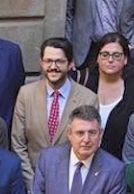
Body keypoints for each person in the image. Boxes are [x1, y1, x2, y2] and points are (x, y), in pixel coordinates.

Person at [11, 38, 98, 186]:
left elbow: (88, 145)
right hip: (32, 181)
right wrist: (33, 184)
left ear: (70, 64)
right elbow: (18, 143)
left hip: (70, 184)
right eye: (48, 61)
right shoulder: (26, 94)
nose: (53, 66)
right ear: (41, 63)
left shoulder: (88, 98)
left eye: (59, 61)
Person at [71, 33, 134, 163]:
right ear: (97, 58)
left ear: (125, 59)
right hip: (79, 161)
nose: (110, 60)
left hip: (117, 164)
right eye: (105, 55)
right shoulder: (83, 84)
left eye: (117, 55)